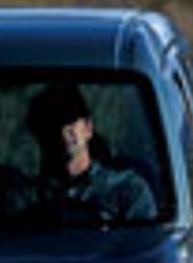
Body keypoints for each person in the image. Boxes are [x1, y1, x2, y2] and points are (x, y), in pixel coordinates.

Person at [24, 83, 156, 223]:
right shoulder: (28, 198)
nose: (64, 132)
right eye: (52, 124)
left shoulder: (127, 190)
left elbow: (143, 240)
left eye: (70, 122)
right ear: (39, 136)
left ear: (88, 127)